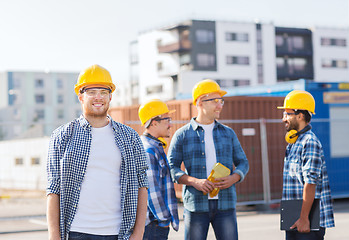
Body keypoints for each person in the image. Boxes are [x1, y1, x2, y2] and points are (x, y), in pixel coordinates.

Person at [46, 64, 149, 240]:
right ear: (80, 96)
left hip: (118, 232)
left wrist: (138, 233)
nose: (98, 97)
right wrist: (54, 236)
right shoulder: (62, 136)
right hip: (76, 232)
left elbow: (142, 185)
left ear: (110, 96)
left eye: (103, 92)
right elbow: (53, 189)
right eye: (91, 92)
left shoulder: (130, 137)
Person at [168, 79, 249, 240]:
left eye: (221, 101)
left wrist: (234, 177)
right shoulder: (182, 135)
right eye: (215, 101)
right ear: (199, 102)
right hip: (196, 206)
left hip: (225, 204)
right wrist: (194, 181)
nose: (220, 106)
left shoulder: (229, 133)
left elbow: (243, 162)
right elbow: (171, 167)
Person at [278, 90, 335, 240]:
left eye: (287, 114)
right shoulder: (293, 143)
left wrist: (304, 218)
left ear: (300, 115)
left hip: (307, 220)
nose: (284, 118)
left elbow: (310, 183)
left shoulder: (309, 143)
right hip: (292, 216)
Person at [138, 99, 179, 240]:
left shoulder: (154, 146)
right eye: (167, 119)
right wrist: (164, 219)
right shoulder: (148, 150)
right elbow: (151, 190)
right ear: (154, 123)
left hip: (154, 223)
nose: (170, 124)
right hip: (153, 225)